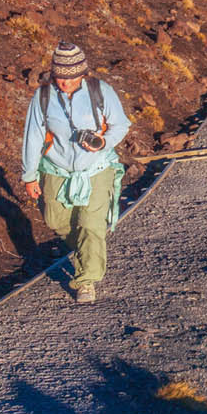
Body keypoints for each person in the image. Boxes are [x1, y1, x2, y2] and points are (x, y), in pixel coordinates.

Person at [20, 42, 131, 303]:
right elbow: (33, 136)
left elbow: (121, 124)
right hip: (55, 169)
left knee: (90, 226)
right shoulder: (43, 96)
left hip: (96, 169)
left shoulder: (100, 92)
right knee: (55, 220)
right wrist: (29, 175)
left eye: (70, 78)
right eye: (60, 77)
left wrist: (103, 142)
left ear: (82, 73)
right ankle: (87, 251)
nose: (64, 83)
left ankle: (87, 280)